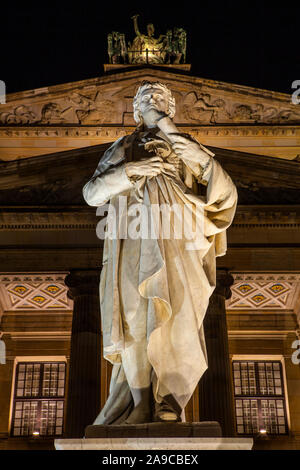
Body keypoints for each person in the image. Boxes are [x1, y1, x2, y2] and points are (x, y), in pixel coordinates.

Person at [82, 81, 237, 424]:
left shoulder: (188, 148)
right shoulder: (122, 147)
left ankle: (169, 398)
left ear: (171, 109)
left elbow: (220, 186)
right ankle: (139, 400)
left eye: (160, 99)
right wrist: (131, 170)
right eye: (146, 99)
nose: (153, 102)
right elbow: (92, 194)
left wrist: (173, 133)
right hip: (134, 238)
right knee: (135, 317)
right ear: (136, 111)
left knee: (179, 316)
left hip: (179, 241)